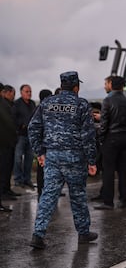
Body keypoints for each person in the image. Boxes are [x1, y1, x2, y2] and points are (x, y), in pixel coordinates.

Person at [28, 71, 98, 249]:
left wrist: (40, 152)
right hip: (75, 157)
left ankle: (38, 234)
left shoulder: (47, 103)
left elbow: (33, 127)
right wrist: (92, 160)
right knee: (78, 196)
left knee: (48, 195)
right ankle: (83, 233)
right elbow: (88, 135)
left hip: (52, 156)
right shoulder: (81, 104)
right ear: (76, 87)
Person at [94, 76, 126, 210]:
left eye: (106, 83)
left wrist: (101, 139)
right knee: (125, 171)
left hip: (111, 139)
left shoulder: (107, 101)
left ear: (111, 84)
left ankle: (108, 201)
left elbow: (104, 124)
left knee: (108, 171)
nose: (104, 86)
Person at [12, 84, 36, 188]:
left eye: (30, 91)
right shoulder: (16, 104)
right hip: (20, 136)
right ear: (21, 92)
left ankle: (27, 179)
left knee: (29, 159)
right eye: (27, 91)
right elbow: (13, 118)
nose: (29, 93)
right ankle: (18, 180)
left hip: (30, 135)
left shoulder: (32, 103)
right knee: (17, 158)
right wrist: (21, 124)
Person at [0, 85, 21, 201]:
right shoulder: (3, 104)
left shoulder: (9, 104)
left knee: (8, 168)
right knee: (3, 168)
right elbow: (8, 123)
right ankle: (3, 192)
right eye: (12, 93)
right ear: (5, 92)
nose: (13, 96)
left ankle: (7, 189)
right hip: (4, 142)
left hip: (10, 141)